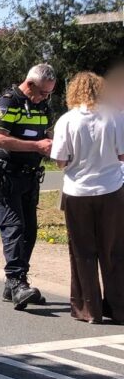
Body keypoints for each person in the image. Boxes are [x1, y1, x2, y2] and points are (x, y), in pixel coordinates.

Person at [50, 72, 124, 324]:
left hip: (78, 191)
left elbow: (60, 160)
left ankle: (88, 309)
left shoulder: (66, 120)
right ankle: (118, 308)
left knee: (82, 251)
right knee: (113, 250)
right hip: (111, 189)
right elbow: (122, 155)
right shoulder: (115, 116)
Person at [0, 63, 56, 310]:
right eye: (43, 92)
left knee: (29, 232)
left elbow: (48, 134)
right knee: (14, 227)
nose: (46, 97)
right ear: (30, 84)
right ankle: (17, 283)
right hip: (5, 175)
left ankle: (15, 284)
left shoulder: (43, 106)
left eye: (49, 93)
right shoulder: (8, 102)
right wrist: (36, 146)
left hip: (29, 177)